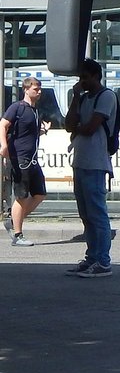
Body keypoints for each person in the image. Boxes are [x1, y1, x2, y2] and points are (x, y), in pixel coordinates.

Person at [64, 59, 116, 278]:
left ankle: (103, 261)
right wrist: (76, 98)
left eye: (86, 77)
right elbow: (69, 125)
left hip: (95, 162)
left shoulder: (106, 96)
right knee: (86, 214)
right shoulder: (83, 98)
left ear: (96, 76)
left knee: (97, 214)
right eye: (80, 78)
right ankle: (92, 257)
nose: (82, 82)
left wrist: (78, 128)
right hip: (80, 161)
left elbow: (91, 127)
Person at [1, 77, 50, 247]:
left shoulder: (34, 111)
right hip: (20, 158)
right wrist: (3, 146)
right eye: (36, 88)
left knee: (40, 193)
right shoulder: (17, 107)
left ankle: (13, 222)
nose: (39, 91)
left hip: (32, 159)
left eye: (40, 88)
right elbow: (3, 125)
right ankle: (17, 234)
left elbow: (28, 133)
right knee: (21, 196)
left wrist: (43, 131)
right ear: (26, 89)